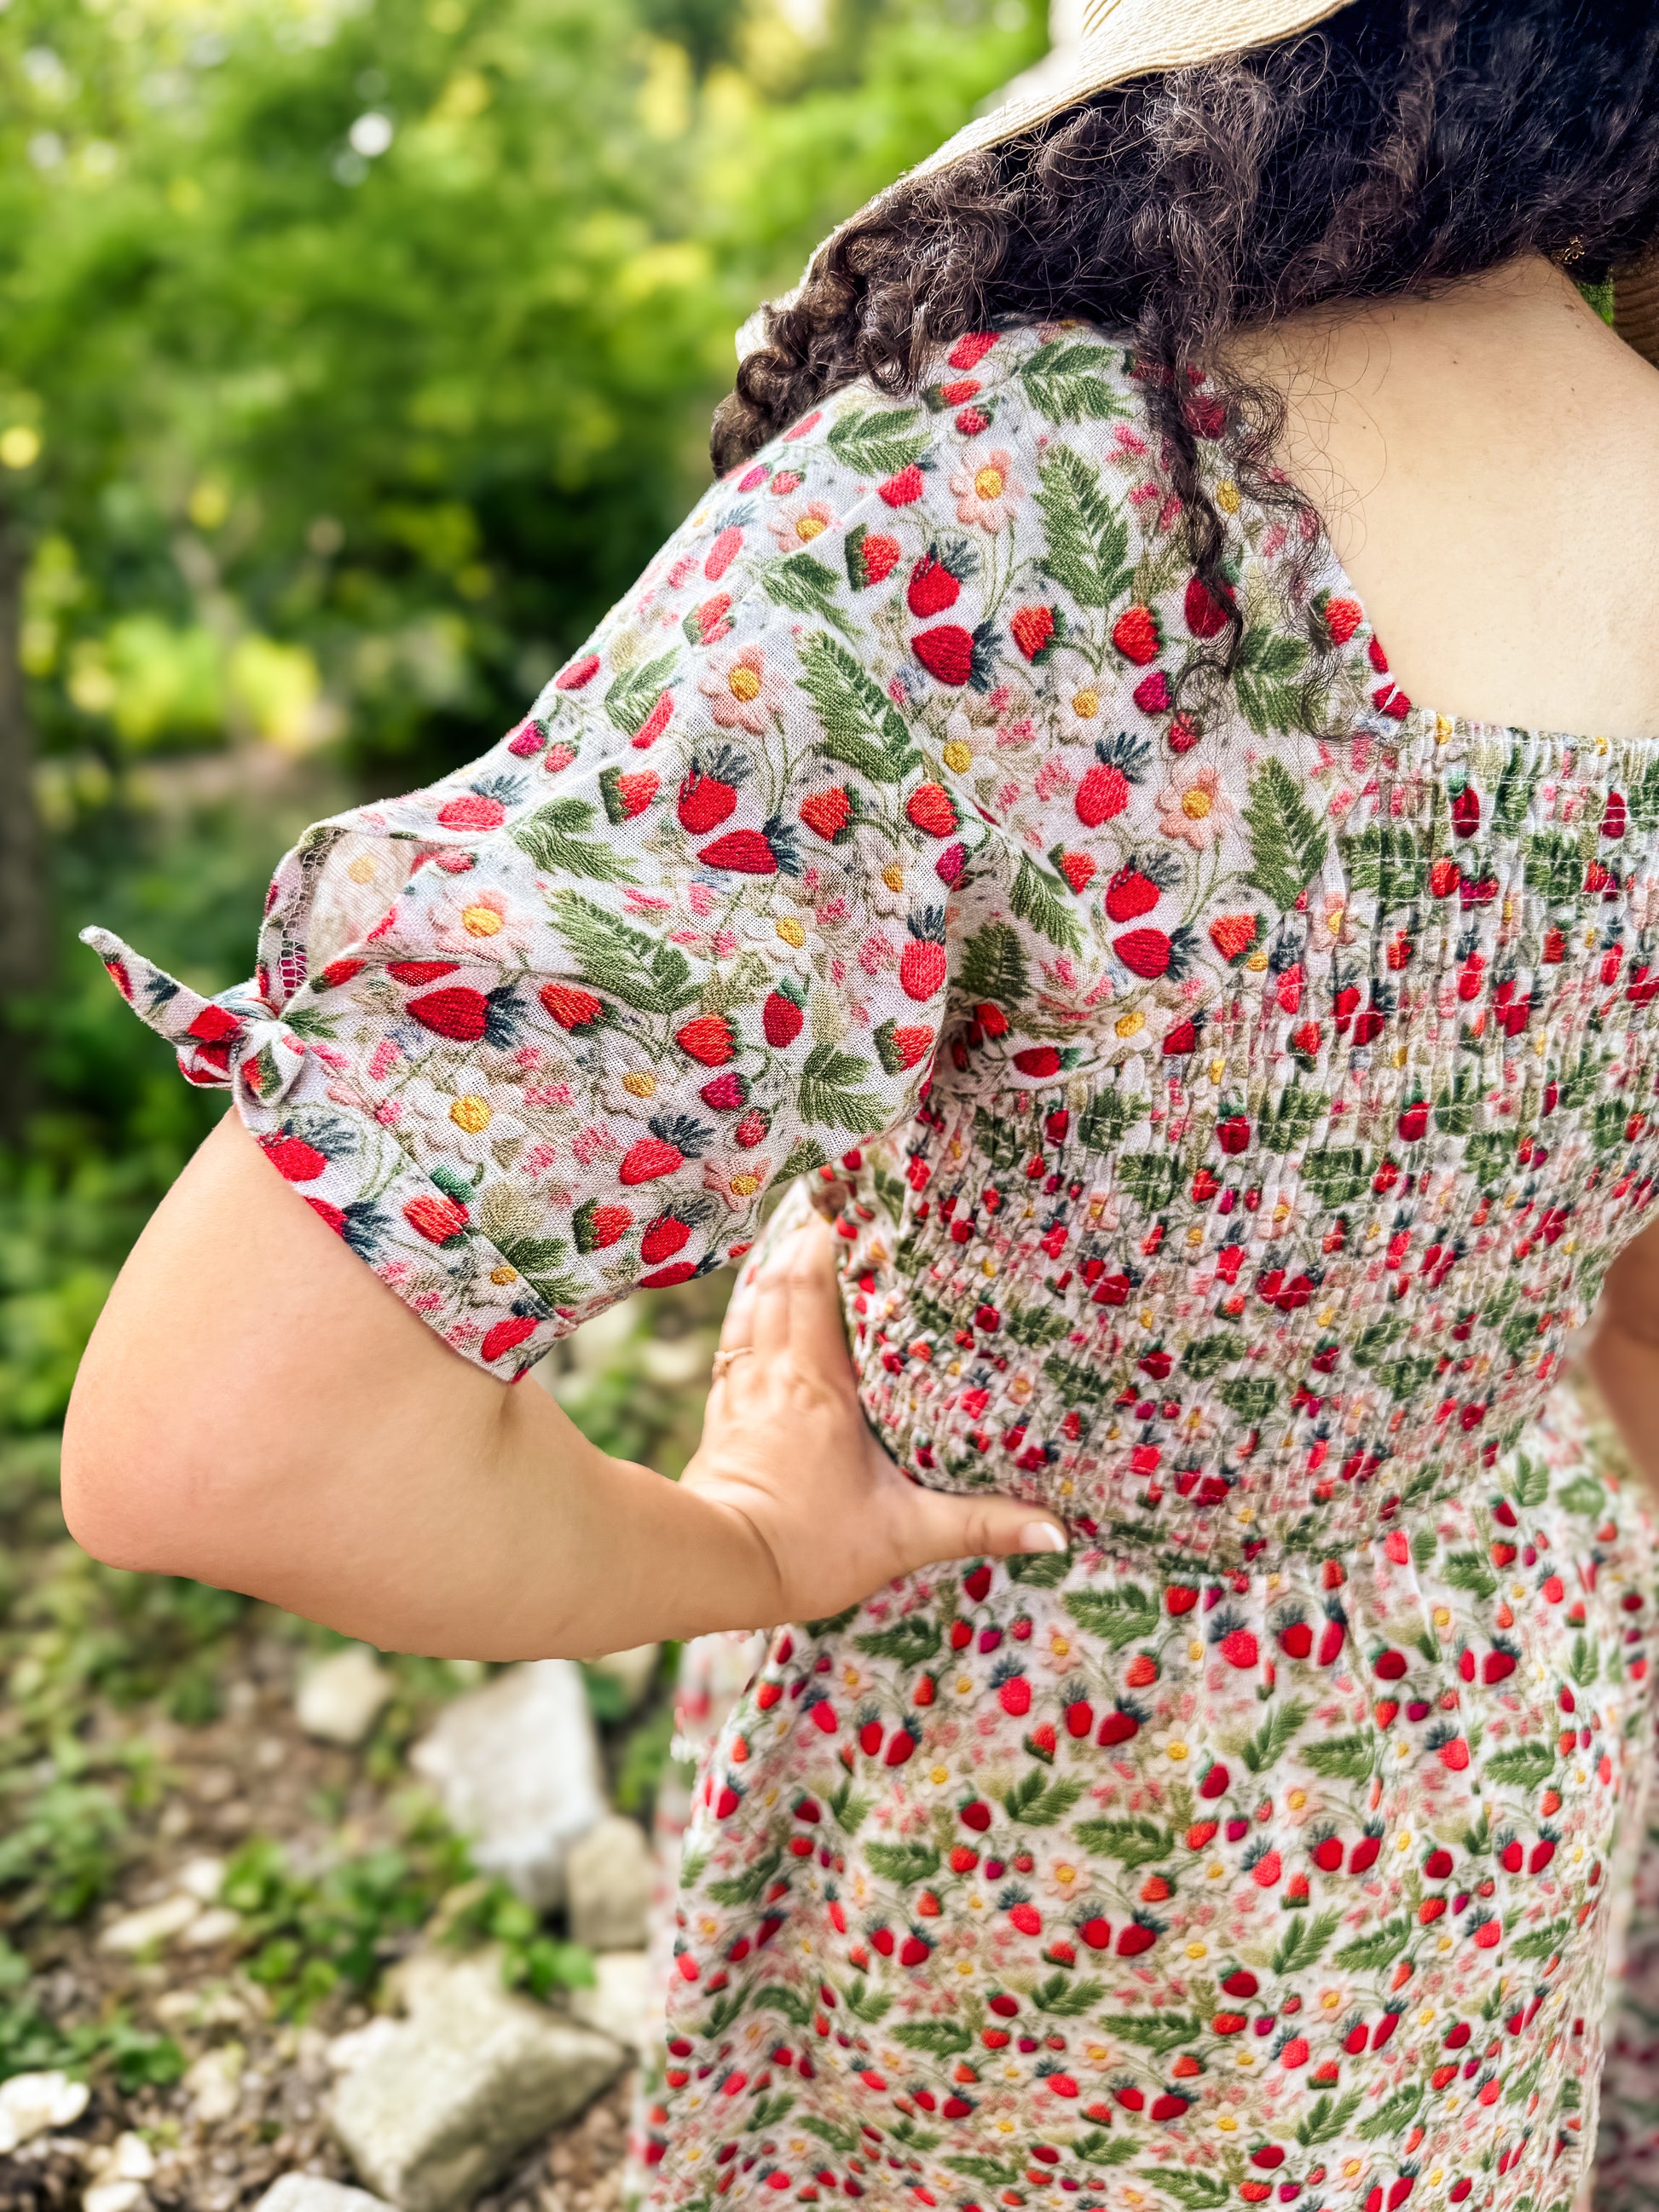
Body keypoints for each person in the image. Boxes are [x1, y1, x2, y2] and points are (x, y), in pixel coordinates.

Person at [59, 0, 1659, 2205]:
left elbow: (225, 1438)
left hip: (1038, 1826)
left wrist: (739, 1545)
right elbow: (1637, 1311)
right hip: (1500, 1737)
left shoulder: (980, 519)